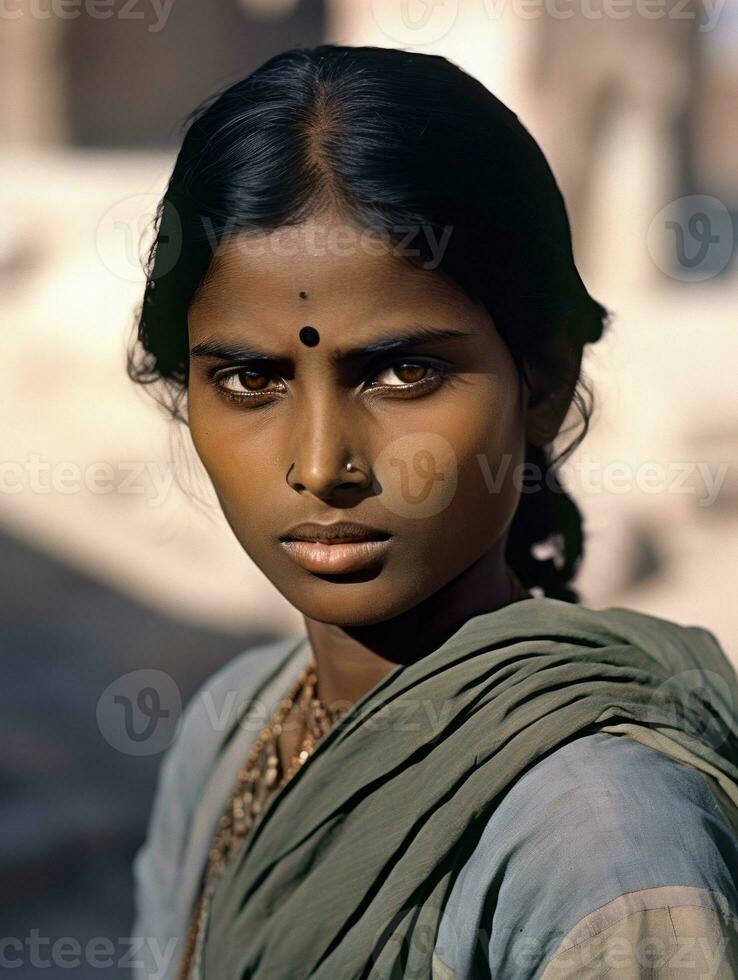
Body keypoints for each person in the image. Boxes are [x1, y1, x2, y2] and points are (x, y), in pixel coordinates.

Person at [128, 45, 738, 979]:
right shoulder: (230, 727)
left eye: (404, 371)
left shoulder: (602, 840)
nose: (322, 465)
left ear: (544, 378)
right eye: (252, 379)